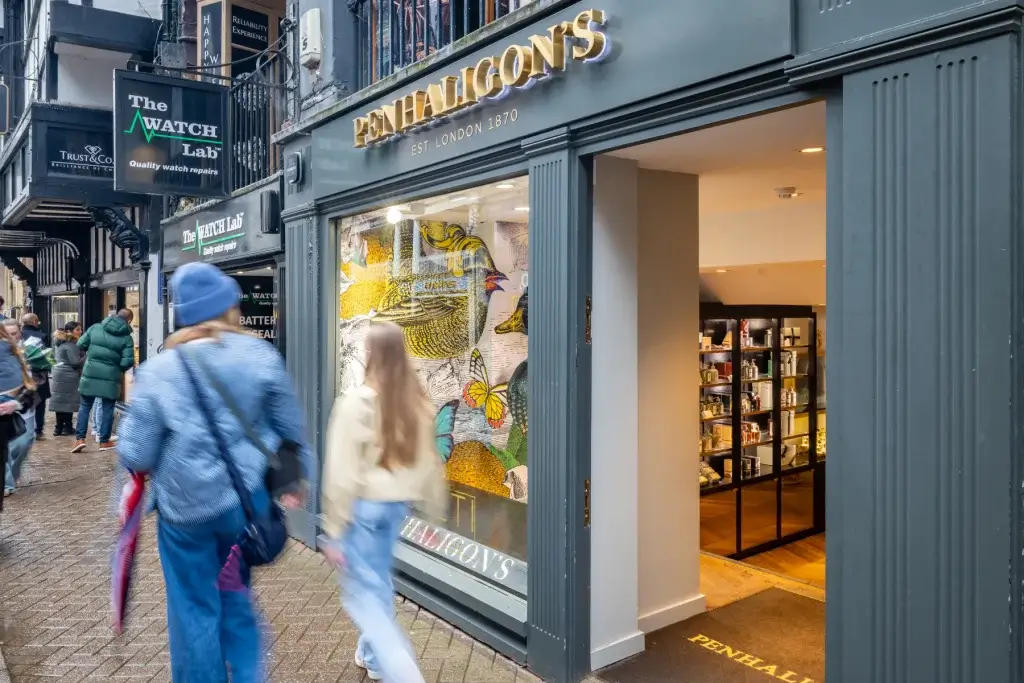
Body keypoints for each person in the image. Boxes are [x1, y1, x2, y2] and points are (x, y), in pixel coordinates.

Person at [117, 262, 311, 681]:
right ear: (229, 308)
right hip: (245, 506)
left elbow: (137, 452)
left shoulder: (160, 370)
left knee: (193, 607)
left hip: (185, 512)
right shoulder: (261, 355)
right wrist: (298, 479)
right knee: (235, 596)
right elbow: (291, 431)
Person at [320, 321, 448, 683]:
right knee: (377, 581)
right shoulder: (418, 403)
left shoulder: (355, 403)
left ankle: (403, 670)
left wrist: (332, 528)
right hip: (396, 507)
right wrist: (435, 515)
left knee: (365, 596)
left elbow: (341, 473)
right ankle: (372, 656)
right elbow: (430, 464)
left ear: (370, 355)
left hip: (364, 510)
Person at [72, 309, 135, 452]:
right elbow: (127, 362)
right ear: (129, 321)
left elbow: (81, 343)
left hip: (90, 373)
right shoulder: (126, 338)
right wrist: (116, 368)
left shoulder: (95, 328)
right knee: (108, 408)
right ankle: (104, 441)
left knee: (85, 406)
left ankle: (79, 439)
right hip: (111, 377)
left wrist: (93, 354)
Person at [1, 322, 36, 499]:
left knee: (24, 443)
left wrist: (17, 403)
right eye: (8, 334)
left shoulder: (29, 352)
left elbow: (34, 385)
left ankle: (12, 475)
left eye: (14, 333)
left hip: (23, 410)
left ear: (19, 333)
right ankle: (7, 483)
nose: (11, 338)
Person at [49, 321, 84, 437]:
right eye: (77, 329)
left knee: (60, 401)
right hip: (68, 374)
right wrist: (87, 355)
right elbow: (75, 362)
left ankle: (58, 428)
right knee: (68, 401)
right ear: (70, 331)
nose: (80, 331)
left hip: (59, 373)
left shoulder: (59, 342)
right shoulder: (71, 344)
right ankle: (67, 427)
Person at [20, 314, 50, 440]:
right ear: (33, 322)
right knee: (40, 402)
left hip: (22, 374)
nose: (39, 323)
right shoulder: (42, 336)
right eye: (38, 321)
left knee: (22, 401)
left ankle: (23, 429)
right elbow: (48, 356)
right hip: (40, 375)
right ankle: (38, 430)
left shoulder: (17, 335)